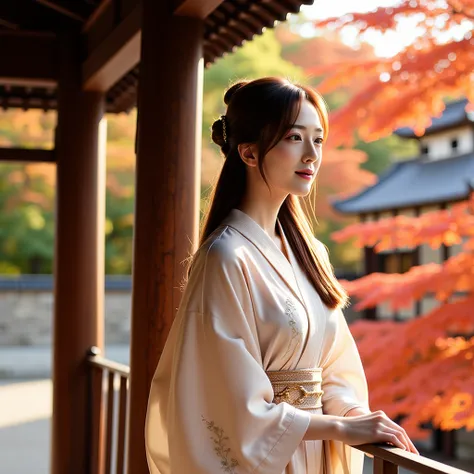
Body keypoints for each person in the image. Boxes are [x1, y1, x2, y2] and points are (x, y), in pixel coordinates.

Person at [145, 77, 418, 474]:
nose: (311, 154)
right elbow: (232, 402)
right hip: (271, 459)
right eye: (294, 137)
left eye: (318, 140)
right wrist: (340, 427)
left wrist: (357, 415)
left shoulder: (311, 253)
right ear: (250, 153)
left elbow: (335, 366)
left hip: (316, 453)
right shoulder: (226, 256)